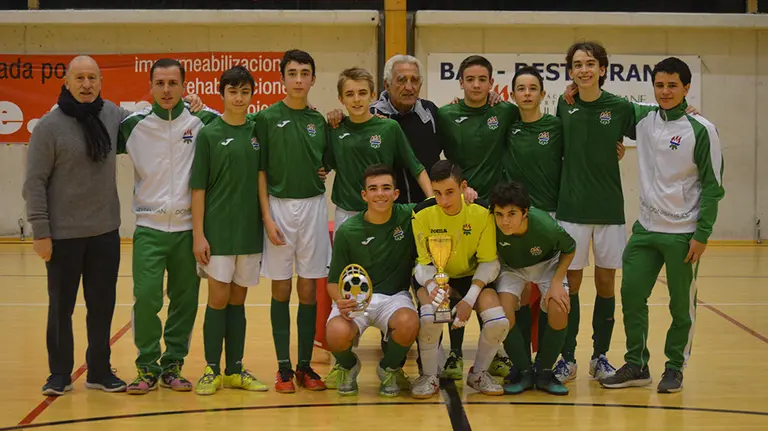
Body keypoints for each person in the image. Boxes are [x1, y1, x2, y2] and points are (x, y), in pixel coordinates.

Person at [599, 57, 725, 393]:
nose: (665, 91)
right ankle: (637, 364)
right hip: (645, 229)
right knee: (632, 295)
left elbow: (713, 186)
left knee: (680, 306)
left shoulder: (702, 129)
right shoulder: (643, 118)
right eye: (659, 85)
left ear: (686, 87)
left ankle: (674, 367)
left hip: (684, 234)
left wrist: (703, 234)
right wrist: (573, 88)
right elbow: (602, 100)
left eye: (672, 85)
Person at [23, 55, 127, 396]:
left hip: (105, 232)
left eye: (92, 78)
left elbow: (151, 124)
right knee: (60, 308)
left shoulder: (111, 114)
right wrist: (41, 232)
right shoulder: (48, 127)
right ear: (67, 82)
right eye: (79, 78)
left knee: (102, 307)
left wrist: (191, 104)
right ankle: (59, 374)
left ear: (100, 82)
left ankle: (98, 370)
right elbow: (34, 183)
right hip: (63, 236)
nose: (86, 84)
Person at [117, 58, 219, 395]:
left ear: (185, 86)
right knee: (146, 298)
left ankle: (172, 365)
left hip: (189, 230)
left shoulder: (203, 120)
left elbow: (241, 126)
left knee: (184, 301)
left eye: (172, 83)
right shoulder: (132, 125)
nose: (166, 90)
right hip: (148, 227)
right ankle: (147, 366)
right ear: (150, 86)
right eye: (159, 83)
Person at [553, 41, 636, 382]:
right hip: (571, 209)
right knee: (569, 287)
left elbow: (656, 125)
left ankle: (600, 356)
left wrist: (686, 110)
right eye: (577, 64)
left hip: (608, 210)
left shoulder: (619, 107)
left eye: (590, 63)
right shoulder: (563, 102)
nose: (584, 69)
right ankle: (568, 356)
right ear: (570, 72)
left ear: (603, 68)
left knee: (605, 286)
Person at [435, 54, 520, 380]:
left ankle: (498, 352)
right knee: (457, 275)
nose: (476, 85)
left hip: (494, 209)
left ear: (490, 83)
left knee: (492, 278)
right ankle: (455, 353)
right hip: (457, 207)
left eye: (482, 79)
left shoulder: (505, 111)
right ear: (461, 83)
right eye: (470, 79)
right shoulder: (446, 115)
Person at [252, 49, 329, 393]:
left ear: (313, 79)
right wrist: (267, 217)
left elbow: (326, 163)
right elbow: (260, 171)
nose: (299, 79)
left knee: (309, 288)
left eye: (305, 73)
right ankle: (283, 367)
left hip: (313, 206)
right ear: (282, 78)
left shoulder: (320, 122)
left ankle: (304, 366)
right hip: (279, 208)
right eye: (292, 73)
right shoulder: (266, 119)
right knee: (281, 286)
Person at [190, 65, 269, 395]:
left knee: (239, 301)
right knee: (218, 299)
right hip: (218, 233)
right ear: (221, 94)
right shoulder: (208, 134)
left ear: (252, 94)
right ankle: (210, 369)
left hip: (249, 232)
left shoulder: (258, 132)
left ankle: (234, 369)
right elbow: (198, 189)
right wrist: (198, 234)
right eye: (232, 91)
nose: (239, 97)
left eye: (245, 91)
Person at [410, 161, 508, 398]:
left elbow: (490, 262)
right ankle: (430, 375)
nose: (443, 201)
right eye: (437, 193)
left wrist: (469, 298)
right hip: (436, 277)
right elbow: (422, 263)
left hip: (472, 278)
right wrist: (433, 285)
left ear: (463, 187)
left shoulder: (482, 213)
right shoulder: (422, 213)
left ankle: (479, 374)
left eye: (450, 192)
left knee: (498, 322)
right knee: (428, 317)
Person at [324, 164, 419, 397]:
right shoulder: (348, 231)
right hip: (356, 300)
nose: (380, 194)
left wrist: (464, 195)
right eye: (373, 189)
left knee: (409, 322)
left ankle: (389, 368)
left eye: (386, 188)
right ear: (364, 195)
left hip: (394, 298)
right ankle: (348, 366)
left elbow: (440, 204)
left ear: (396, 194)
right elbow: (332, 281)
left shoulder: (409, 215)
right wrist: (340, 300)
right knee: (335, 332)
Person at [489, 182, 574, 396]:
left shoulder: (545, 225)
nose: (505, 221)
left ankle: (545, 372)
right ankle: (524, 371)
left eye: (511, 214)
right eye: (499, 214)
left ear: (525, 213)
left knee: (559, 308)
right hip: (512, 268)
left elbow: (570, 248)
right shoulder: (489, 225)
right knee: (502, 313)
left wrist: (557, 282)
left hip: (547, 265)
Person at [325, 67, 432, 231]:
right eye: (349, 94)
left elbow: (416, 167)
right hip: (346, 213)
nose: (356, 99)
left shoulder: (389, 128)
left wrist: (432, 200)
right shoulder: (335, 128)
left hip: (384, 211)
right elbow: (324, 165)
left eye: (362, 93)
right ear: (341, 99)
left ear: (372, 95)